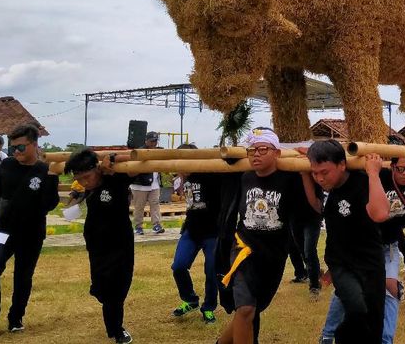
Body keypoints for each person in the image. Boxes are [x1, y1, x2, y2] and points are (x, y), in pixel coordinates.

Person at [216, 128, 309, 344]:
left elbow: (306, 211)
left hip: (274, 254)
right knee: (246, 308)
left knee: (252, 309)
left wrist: (307, 165)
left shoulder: (289, 179)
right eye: (252, 150)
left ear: (277, 152)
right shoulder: (243, 176)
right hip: (244, 248)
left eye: (263, 149)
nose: (256, 154)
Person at [320, 156, 405, 343]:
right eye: (400, 168)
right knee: (346, 293)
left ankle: (386, 340)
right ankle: (327, 335)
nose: (404, 173)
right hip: (361, 247)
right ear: (392, 166)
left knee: (390, 289)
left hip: (387, 246)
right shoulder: (378, 175)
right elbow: (345, 166)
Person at [0, 124, 60, 333]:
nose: (16, 152)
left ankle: (16, 317)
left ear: (34, 145)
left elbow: (50, 204)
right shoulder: (7, 164)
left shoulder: (45, 170)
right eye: (13, 148)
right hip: (4, 229)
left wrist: (52, 178)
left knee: (23, 276)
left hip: (32, 232)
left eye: (21, 147)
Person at [308, 139, 389, 344]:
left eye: (324, 172)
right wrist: (304, 172)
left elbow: (380, 214)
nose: (319, 178)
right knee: (356, 307)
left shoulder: (363, 181)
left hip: (370, 262)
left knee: (374, 319)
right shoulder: (327, 188)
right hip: (341, 263)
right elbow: (315, 205)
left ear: (342, 164)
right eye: (314, 173)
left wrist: (373, 174)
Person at [65, 149, 135, 343]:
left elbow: (137, 159)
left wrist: (111, 158)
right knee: (102, 289)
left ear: (97, 168)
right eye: (79, 180)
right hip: (96, 244)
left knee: (118, 288)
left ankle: (116, 330)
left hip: (120, 243)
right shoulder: (90, 186)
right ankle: (107, 306)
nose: (85, 183)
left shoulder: (116, 178)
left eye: (87, 177)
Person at [170, 144, 222, 323]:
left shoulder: (210, 174)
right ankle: (190, 299)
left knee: (212, 271)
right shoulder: (184, 178)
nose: (180, 166)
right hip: (191, 229)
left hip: (212, 231)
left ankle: (209, 307)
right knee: (178, 266)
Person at [130, 131, 164, 235]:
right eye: (152, 141)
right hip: (140, 185)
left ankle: (156, 225)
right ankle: (138, 226)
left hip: (154, 184)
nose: (154, 143)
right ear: (146, 141)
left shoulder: (158, 151)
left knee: (155, 204)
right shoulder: (140, 151)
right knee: (139, 207)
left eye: (155, 141)